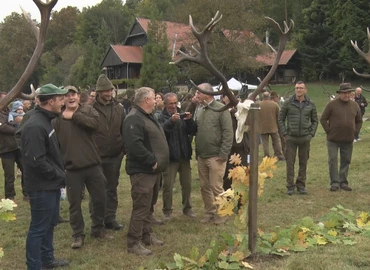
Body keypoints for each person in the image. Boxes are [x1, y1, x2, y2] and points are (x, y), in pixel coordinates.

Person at [52, 85, 109, 249]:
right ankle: (78, 235)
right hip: (71, 168)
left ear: (78, 96)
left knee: (100, 199)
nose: (71, 98)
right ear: (63, 98)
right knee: (74, 204)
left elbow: (94, 125)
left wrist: (75, 116)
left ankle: (98, 228)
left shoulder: (89, 111)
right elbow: (55, 143)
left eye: (74, 94)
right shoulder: (57, 119)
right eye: (67, 95)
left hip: (93, 165)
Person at [21, 83, 70, 270]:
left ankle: (47, 260)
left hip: (51, 184)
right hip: (42, 187)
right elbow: (36, 161)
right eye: (60, 99)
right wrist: (59, 174)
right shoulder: (35, 125)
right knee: (38, 228)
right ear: (51, 101)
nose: (63, 102)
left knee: (49, 224)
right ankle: (34, 266)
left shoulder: (45, 121)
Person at [123, 87, 169, 256]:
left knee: (149, 206)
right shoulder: (133, 118)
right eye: (153, 98)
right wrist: (152, 161)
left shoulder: (146, 116)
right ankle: (133, 242)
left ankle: (146, 235)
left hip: (152, 172)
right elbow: (134, 146)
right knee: (141, 207)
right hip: (143, 171)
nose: (156, 100)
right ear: (146, 100)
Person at [195, 83, 233, 225]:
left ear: (207, 93)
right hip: (202, 155)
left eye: (199, 92)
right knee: (204, 186)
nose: (196, 95)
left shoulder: (221, 109)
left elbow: (228, 133)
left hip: (216, 156)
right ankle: (209, 212)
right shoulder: (201, 109)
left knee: (216, 186)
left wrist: (223, 153)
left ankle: (223, 213)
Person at [93, 74, 126, 231]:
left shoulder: (119, 108)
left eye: (110, 90)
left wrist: (123, 150)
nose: (108, 93)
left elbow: (124, 130)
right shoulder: (89, 109)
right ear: (99, 92)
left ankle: (110, 218)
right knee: (97, 190)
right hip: (96, 157)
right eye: (105, 91)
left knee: (112, 189)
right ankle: (97, 222)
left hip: (115, 155)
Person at [157, 92, 197, 221]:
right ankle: (167, 210)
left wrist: (189, 120)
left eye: (175, 103)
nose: (173, 106)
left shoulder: (182, 113)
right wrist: (171, 121)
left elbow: (193, 130)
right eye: (171, 103)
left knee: (187, 185)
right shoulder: (161, 117)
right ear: (165, 104)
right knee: (168, 185)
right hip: (170, 156)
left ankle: (187, 208)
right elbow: (161, 131)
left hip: (184, 155)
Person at [320, 83, 362, 192]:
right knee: (333, 160)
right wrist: (328, 131)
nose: (346, 95)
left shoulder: (354, 105)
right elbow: (323, 119)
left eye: (348, 93)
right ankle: (334, 182)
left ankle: (343, 182)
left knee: (346, 160)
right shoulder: (332, 105)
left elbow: (359, 120)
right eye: (344, 93)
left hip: (348, 139)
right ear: (340, 93)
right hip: (333, 140)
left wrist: (355, 132)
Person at [278, 81, 318, 195]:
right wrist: (285, 133)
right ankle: (290, 186)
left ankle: (301, 185)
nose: (298, 90)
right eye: (297, 88)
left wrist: (311, 134)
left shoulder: (310, 104)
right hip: (291, 138)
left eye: (301, 88)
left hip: (305, 138)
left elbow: (315, 120)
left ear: (305, 90)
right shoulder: (288, 103)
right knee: (290, 163)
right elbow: (280, 119)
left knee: (303, 162)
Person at [221, 94, 249, 191]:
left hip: (242, 146)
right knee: (228, 174)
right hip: (229, 147)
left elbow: (244, 118)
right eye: (227, 96)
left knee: (242, 171)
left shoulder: (241, 109)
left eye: (231, 96)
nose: (229, 98)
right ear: (223, 98)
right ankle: (227, 195)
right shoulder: (221, 110)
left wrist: (232, 111)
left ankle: (240, 195)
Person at [0, 96, 26, 200]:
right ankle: (10, 196)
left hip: (17, 147)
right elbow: (2, 127)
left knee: (26, 170)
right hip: (6, 149)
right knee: (9, 175)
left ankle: (27, 194)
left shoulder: (12, 111)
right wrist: (18, 129)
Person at [259, 92, 284, 160]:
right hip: (273, 126)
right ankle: (279, 155)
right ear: (269, 96)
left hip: (262, 127)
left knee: (265, 142)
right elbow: (279, 116)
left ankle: (266, 156)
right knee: (276, 141)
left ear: (262, 96)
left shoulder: (258, 105)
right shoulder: (275, 104)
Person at [271, 91, 286, 157]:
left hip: (274, 124)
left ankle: (277, 153)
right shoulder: (276, 105)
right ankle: (282, 153)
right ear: (275, 97)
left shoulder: (273, 104)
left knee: (275, 141)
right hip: (278, 124)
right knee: (281, 139)